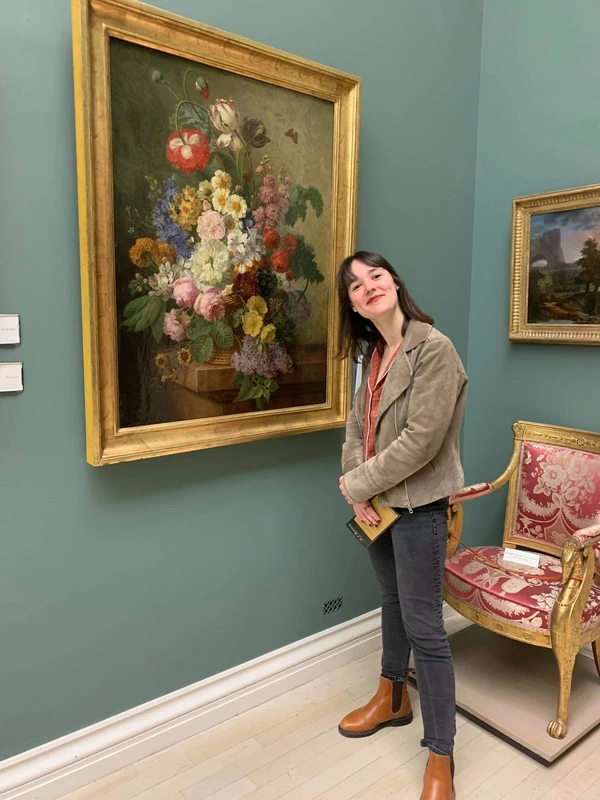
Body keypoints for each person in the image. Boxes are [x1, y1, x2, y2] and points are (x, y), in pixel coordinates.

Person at [336, 251, 468, 800]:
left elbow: (422, 442)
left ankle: (441, 753)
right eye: (355, 285)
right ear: (353, 306)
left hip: (419, 510)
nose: (368, 286)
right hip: (377, 510)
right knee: (391, 603)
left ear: (393, 282)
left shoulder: (433, 349)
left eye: (375, 275)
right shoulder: (373, 356)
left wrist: (359, 485)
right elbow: (355, 428)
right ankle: (392, 698)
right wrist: (356, 486)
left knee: (426, 630)